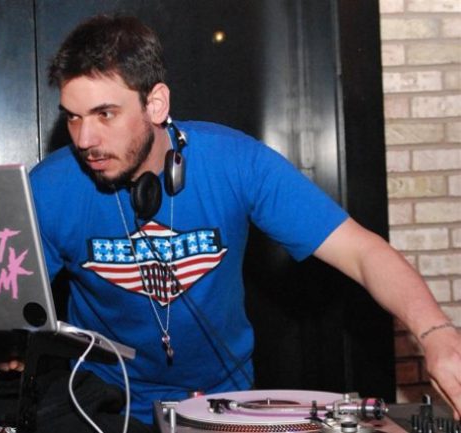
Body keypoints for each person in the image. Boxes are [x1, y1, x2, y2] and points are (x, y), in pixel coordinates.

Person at [29, 14, 461, 427]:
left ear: (155, 104)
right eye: (73, 117)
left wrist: (436, 333)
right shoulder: (51, 186)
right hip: (102, 404)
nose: (85, 139)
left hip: (221, 404)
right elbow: (8, 301)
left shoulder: (236, 163)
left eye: (105, 114)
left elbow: (363, 252)